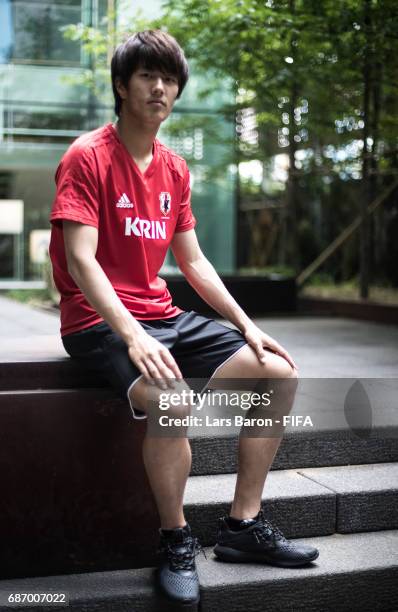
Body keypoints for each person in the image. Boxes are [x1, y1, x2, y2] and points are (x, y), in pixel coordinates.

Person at [49, 30, 319, 608]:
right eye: (147, 75)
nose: (160, 87)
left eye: (169, 79)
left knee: (278, 372)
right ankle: (175, 538)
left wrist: (247, 326)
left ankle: (243, 527)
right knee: (172, 400)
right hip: (98, 322)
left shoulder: (174, 169)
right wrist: (132, 335)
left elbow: (193, 263)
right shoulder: (87, 157)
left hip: (162, 315)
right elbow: (80, 259)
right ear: (122, 86)